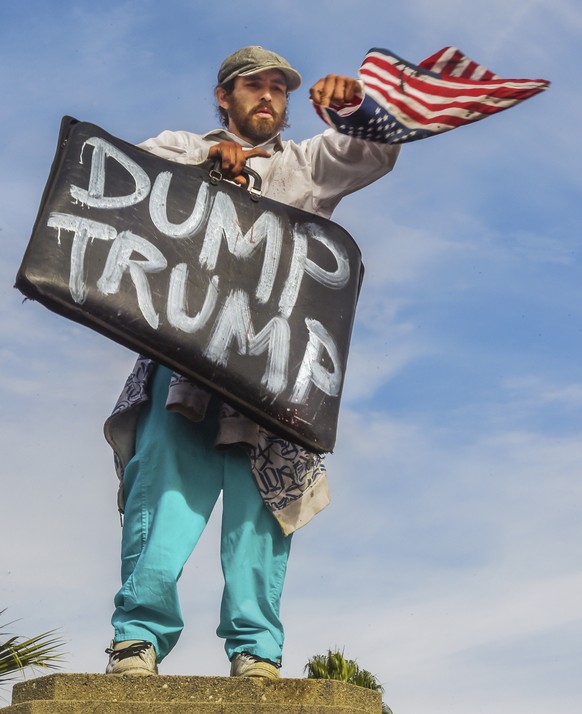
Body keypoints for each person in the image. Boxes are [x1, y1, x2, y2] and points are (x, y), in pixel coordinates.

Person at [103, 46, 400, 679]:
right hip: (184, 357)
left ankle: (256, 653)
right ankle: (137, 641)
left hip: (274, 370)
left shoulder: (304, 166)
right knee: (164, 493)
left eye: (278, 89)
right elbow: (125, 170)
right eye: (252, 86)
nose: (267, 97)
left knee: (259, 509)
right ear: (224, 96)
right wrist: (207, 160)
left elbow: (374, 152)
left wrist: (353, 108)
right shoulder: (181, 145)